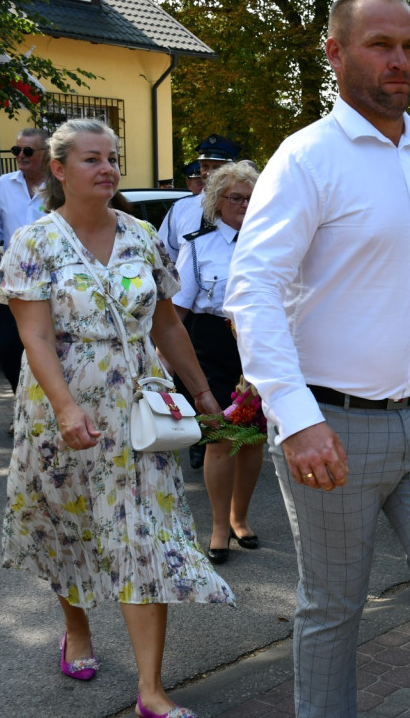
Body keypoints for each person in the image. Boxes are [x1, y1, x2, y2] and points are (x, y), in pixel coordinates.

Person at [223, 0, 410, 718]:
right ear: (335, 52)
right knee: (334, 606)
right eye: (381, 45)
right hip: (333, 428)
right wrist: (295, 418)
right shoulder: (306, 159)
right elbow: (252, 291)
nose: (400, 61)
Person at [0, 119, 233, 718]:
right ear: (60, 169)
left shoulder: (142, 235)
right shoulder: (35, 243)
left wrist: (202, 391)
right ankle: (76, 629)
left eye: (112, 158)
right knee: (65, 527)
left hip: (138, 415)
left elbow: (167, 323)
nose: (107, 169)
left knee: (147, 537)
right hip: (58, 413)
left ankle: (151, 692)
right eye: (92, 159)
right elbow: (35, 335)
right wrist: (67, 406)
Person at [173, 162, 264, 564]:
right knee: (221, 438)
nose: (243, 204)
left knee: (252, 439)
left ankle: (240, 517)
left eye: (250, 197)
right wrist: (161, 360)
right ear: (216, 201)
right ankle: (218, 527)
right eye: (235, 198)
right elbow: (176, 310)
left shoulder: (271, 241)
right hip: (211, 344)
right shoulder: (197, 245)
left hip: (259, 346)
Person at [0, 127, 49, 395]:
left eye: (28, 151)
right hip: (13, 280)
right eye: (16, 150)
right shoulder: (4, 184)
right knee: (9, 347)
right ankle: (20, 401)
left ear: (47, 154)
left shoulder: (62, 185)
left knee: (49, 347)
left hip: (52, 280)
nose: (20, 156)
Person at [157, 134, 240, 262]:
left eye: (217, 167)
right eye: (205, 166)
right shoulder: (180, 209)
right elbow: (162, 256)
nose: (209, 173)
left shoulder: (243, 208)